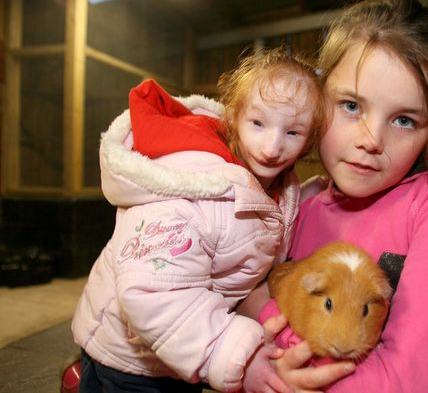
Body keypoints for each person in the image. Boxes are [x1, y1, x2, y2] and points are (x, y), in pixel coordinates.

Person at [243, 0, 428, 392]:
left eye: (403, 120)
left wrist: (276, 344)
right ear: (317, 99)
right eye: (351, 106)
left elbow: (408, 383)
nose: (371, 139)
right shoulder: (302, 204)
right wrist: (255, 361)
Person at [69, 48, 327, 393]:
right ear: (234, 117)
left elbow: (275, 217)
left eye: (293, 133)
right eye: (258, 123)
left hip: (182, 350)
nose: (272, 146)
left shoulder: (278, 183)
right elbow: (151, 293)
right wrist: (233, 352)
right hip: (131, 357)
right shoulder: (189, 186)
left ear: (309, 140)